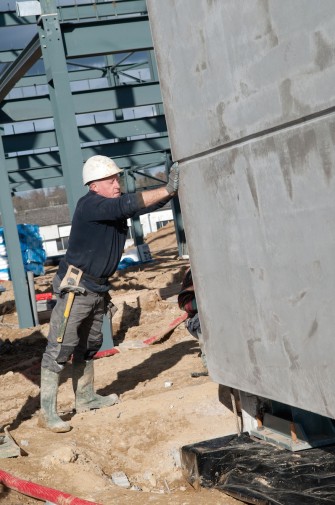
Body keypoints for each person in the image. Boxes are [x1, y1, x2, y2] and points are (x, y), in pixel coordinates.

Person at [39, 155, 179, 432]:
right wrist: (168, 188)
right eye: (111, 179)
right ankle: (48, 413)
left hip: (96, 288)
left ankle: (86, 397)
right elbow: (126, 204)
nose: (117, 183)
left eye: (117, 178)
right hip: (76, 289)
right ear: (94, 185)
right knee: (59, 347)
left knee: (89, 345)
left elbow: (138, 207)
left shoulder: (110, 207)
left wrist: (170, 190)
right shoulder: (91, 205)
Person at [178, 267, 208, 377]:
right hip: (199, 319)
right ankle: (210, 363)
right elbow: (187, 305)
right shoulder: (193, 272)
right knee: (204, 322)